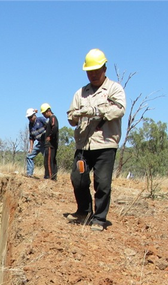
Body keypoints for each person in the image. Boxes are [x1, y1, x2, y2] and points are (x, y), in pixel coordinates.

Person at [66, 48, 126, 231]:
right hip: (84, 145)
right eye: (89, 72)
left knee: (102, 182)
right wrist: (76, 115)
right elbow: (70, 117)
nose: (92, 75)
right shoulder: (81, 93)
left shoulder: (114, 89)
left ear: (104, 69)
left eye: (95, 71)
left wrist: (97, 111)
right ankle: (84, 211)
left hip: (105, 144)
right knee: (78, 178)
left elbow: (120, 109)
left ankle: (99, 218)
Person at [25, 107, 46, 178]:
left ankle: (48, 175)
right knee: (29, 156)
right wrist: (31, 148)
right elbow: (31, 137)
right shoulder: (30, 125)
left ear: (34, 115)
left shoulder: (41, 119)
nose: (30, 119)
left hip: (46, 143)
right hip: (39, 144)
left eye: (31, 117)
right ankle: (29, 174)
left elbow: (49, 125)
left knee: (47, 158)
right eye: (28, 118)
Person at [41, 103, 59, 180]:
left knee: (48, 161)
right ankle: (53, 176)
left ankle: (50, 177)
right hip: (51, 144)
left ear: (48, 111)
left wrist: (49, 136)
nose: (43, 115)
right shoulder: (50, 120)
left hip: (50, 144)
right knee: (51, 160)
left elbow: (55, 127)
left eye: (44, 113)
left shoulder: (53, 118)